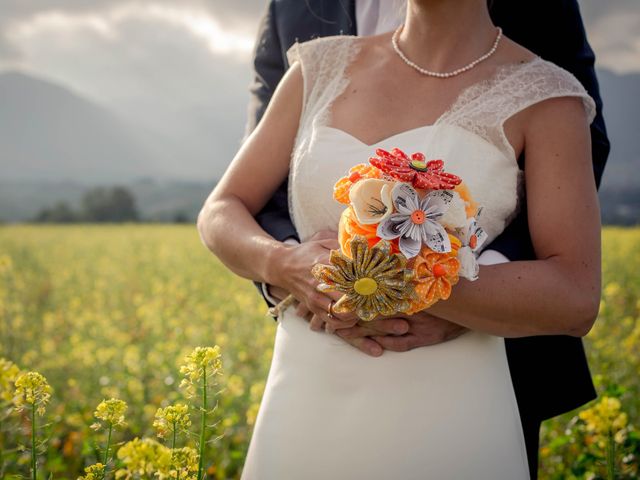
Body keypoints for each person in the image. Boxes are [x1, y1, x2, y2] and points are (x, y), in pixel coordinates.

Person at [197, 0, 604, 477]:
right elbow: (221, 210)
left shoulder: (548, 98)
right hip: (307, 391)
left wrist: (421, 286)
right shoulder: (318, 66)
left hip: (451, 402)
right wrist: (284, 265)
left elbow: (575, 296)